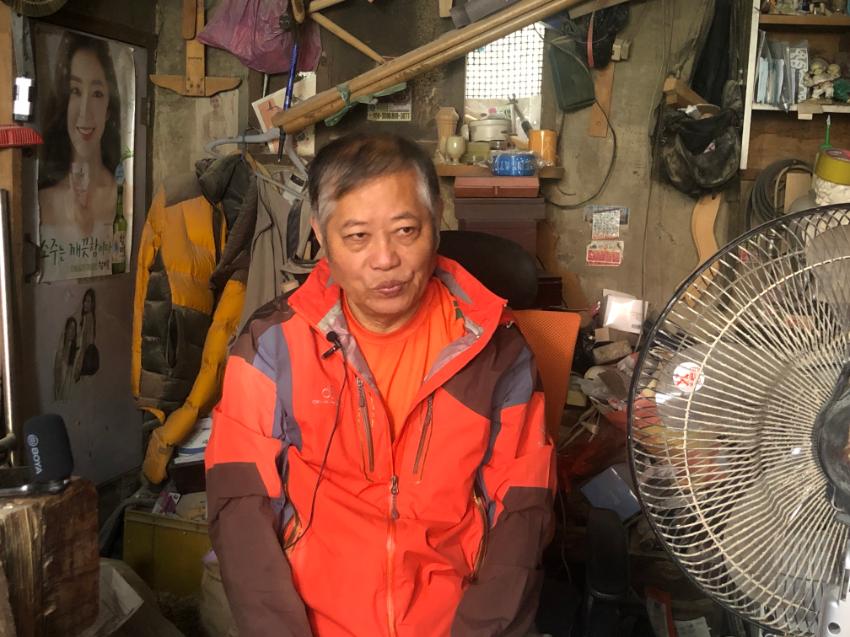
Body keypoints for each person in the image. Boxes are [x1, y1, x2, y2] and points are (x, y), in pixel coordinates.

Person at [206, 133, 555, 637]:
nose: (385, 258)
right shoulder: (273, 346)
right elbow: (240, 504)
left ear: (437, 219)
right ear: (320, 236)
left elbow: (522, 511)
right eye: (357, 236)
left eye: (405, 230)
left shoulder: (497, 352)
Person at [38, 32, 122, 278]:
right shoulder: (40, 201)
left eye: (96, 93)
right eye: (75, 91)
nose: (85, 112)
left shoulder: (123, 198)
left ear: (109, 108)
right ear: (63, 101)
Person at [74, 288, 98, 380]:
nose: (85, 303)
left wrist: (78, 367)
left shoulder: (87, 318)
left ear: (92, 304)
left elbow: (83, 344)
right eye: (85, 300)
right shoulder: (91, 318)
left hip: (83, 360)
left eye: (88, 301)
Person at [54, 317, 77, 401]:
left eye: (74, 329)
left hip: (67, 395)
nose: (72, 331)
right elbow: (56, 374)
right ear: (66, 330)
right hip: (58, 392)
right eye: (70, 328)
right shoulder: (60, 351)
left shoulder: (74, 352)